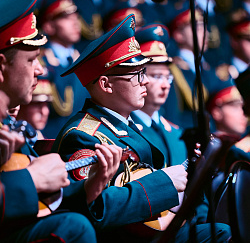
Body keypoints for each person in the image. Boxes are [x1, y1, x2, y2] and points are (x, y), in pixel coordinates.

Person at [52, 13, 231, 242]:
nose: (145, 81)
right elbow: (97, 209)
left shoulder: (122, 125)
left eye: (144, 73)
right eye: (136, 74)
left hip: (152, 228)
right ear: (106, 84)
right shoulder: (83, 136)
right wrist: (165, 182)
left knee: (222, 229)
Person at [0, 0, 123, 242]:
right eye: (32, 60)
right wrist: (30, 180)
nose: (41, 69)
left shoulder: (8, 124)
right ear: (2, 66)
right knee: (74, 228)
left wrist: (90, 188)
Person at [160, 1, 230, 130]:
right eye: (197, 27)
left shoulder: (210, 68)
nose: (205, 33)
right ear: (178, 34)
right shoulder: (174, 70)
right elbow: (173, 118)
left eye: (204, 27)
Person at [131, 23, 187, 168]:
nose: (165, 85)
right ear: (139, 78)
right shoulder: (127, 131)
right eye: (156, 76)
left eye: (167, 77)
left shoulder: (175, 133)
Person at [38, 0, 90, 138]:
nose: (75, 23)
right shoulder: (40, 61)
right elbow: (60, 107)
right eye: (66, 19)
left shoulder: (83, 60)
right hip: (50, 138)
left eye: (76, 18)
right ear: (49, 26)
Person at [16, 77, 53, 144]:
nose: (45, 112)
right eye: (37, 104)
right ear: (22, 104)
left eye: (47, 104)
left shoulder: (42, 139)